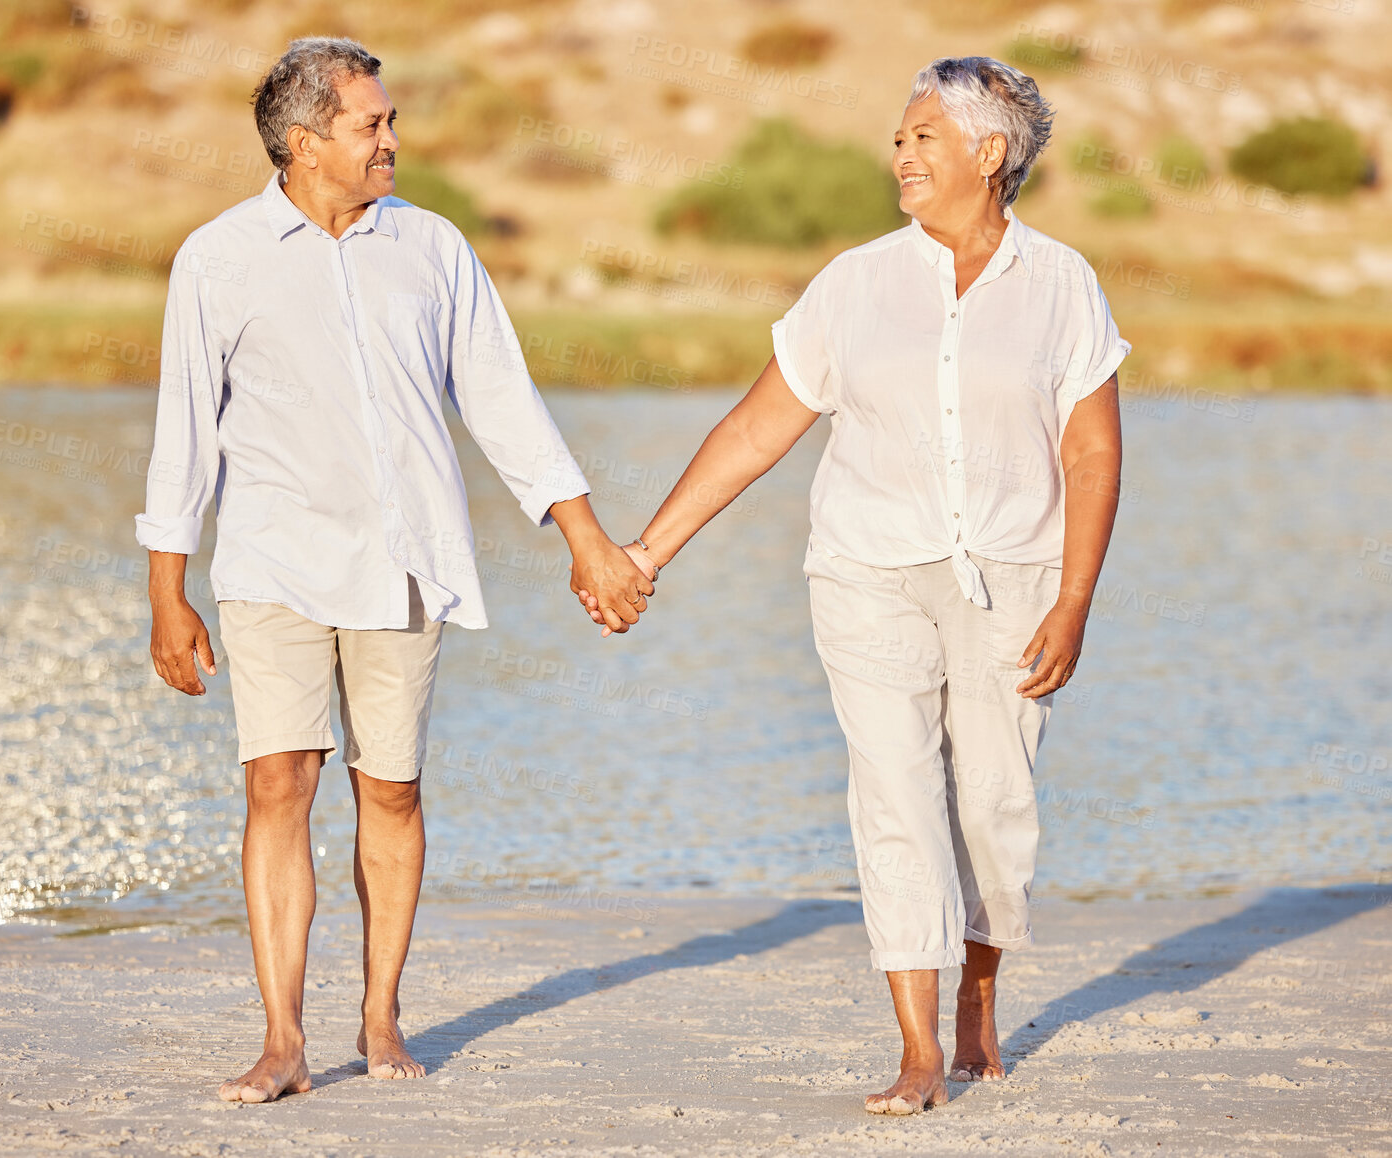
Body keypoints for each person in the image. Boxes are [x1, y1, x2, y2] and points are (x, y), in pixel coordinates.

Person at [579, 56, 1127, 1115]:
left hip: (1012, 578)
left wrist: (1074, 599)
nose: (901, 153)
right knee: (895, 796)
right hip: (866, 573)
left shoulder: (1064, 286)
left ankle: (977, 992)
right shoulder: (854, 282)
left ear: (989, 152)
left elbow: (1095, 456)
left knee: (996, 806)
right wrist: (646, 554)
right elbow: (754, 430)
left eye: (924, 136)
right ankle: (920, 1048)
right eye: (899, 136)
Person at [137, 37, 652, 1104]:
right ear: (304, 141)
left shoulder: (431, 247)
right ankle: (283, 1037)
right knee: (278, 781)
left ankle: (379, 1015)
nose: (392, 140)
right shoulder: (219, 256)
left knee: (394, 787)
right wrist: (166, 591)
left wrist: (587, 538)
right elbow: (184, 432)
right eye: (372, 124)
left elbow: (502, 399)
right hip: (273, 561)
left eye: (389, 120)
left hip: (405, 561)